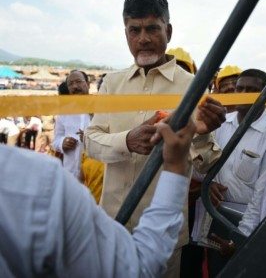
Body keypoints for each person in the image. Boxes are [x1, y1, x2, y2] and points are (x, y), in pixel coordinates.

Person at [85, 0, 225, 277]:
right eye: (134, 30)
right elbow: (91, 141)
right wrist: (127, 140)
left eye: (152, 28)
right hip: (111, 224)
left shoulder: (193, 86)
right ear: (125, 33)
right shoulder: (111, 83)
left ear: (168, 31)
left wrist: (200, 134)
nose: (143, 39)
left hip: (164, 234)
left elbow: (207, 163)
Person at [0, 119, 200, 277]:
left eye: (80, 82)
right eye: (72, 83)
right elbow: (134, 269)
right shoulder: (40, 183)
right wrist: (174, 167)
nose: (77, 87)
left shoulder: (32, 182)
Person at [211, 64, 266, 256]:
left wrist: (241, 239)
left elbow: (262, 196)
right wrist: (241, 240)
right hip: (254, 235)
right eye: (240, 89)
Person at [210, 69, 266, 206]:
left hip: (243, 217)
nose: (243, 94)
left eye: (251, 90)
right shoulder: (220, 122)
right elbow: (202, 167)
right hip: (209, 208)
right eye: (239, 89)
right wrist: (208, 184)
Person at [52, 70, 90, 180]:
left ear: (88, 84)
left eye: (78, 82)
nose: (75, 86)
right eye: (71, 84)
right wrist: (62, 143)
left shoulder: (101, 109)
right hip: (70, 175)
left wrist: (90, 138)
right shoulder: (64, 112)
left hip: (94, 176)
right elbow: (56, 140)